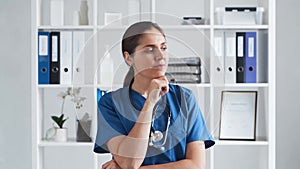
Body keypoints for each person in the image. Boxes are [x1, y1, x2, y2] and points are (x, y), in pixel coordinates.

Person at [94, 21, 215, 169]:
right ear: (128, 58)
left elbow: (196, 165)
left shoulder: (185, 98)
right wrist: (149, 103)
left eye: (163, 48)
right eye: (149, 50)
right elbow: (130, 162)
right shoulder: (110, 103)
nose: (160, 56)